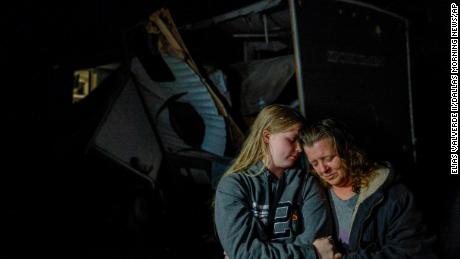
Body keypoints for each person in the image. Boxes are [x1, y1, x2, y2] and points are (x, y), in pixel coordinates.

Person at [214, 104, 340, 259]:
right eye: (292, 139)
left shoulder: (307, 184)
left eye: (301, 141)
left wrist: (253, 252)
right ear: (267, 136)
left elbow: (319, 241)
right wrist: (311, 253)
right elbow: (244, 252)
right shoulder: (233, 186)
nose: (300, 148)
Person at [300, 118, 436, 258]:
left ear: (348, 151)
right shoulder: (314, 197)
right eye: (315, 163)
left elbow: (412, 252)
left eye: (328, 158)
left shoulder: (393, 195)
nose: (323, 169)